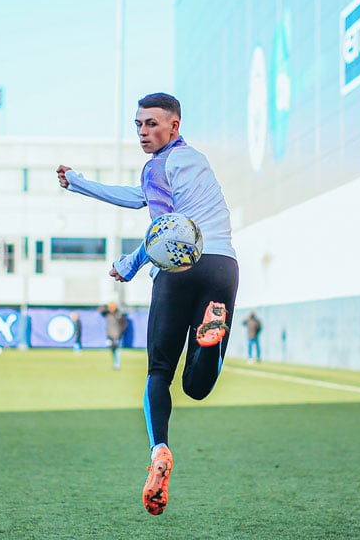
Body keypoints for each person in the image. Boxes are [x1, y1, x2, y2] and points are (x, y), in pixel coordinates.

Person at [57, 92, 238, 516]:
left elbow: (165, 231)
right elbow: (140, 196)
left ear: (174, 126)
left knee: (159, 372)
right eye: (138, 124)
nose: (143, 131)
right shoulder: (195, 162)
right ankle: (208, 343)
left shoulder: (157, 165)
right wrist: (81, 182)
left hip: (180, 269)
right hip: (224, 266)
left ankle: (160, 450)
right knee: (197, 386)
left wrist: (129, 264)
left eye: (152, 124)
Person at [99, 301, 128, 370]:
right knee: (112, 349)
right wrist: (106, 306)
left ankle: (117, 364)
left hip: (116, 335)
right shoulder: (107, 314)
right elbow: (101, 310)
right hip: (109, 335)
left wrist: (120, 332)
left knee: (116, 349)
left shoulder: (118, 314)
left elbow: (124, 324)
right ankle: (115, 363)